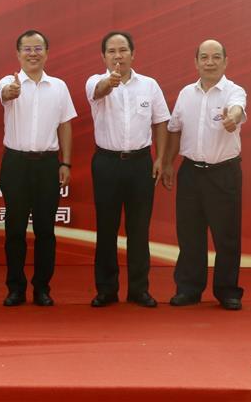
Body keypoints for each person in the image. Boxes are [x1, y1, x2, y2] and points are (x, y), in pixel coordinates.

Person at [86, 32, 169, 308]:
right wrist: (109, 83)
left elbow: (161, 121)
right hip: (106, 163)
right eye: (111, 51)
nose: (118, 56)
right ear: (103, 56)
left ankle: (139, 289)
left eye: (123, 50)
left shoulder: (149, 85)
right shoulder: (95, 82)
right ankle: (106, 290)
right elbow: (99, 91)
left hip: (140, 164)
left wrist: (160, 158)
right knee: (106, 229)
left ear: (133, 54)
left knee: (139, 229)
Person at [162, 39, 246, 311]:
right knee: (190, 234)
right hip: (191, 173)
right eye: (204, 57)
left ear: (226, 61)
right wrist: (167, 163)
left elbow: (237, 109)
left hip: (224, 173)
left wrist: (232, 118)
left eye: (216, 57)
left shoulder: (234, 91)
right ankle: (188, 289)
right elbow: (174, 130)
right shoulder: (186, 94)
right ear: (196, 62)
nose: (210, 62)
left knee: (227, 236)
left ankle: (228, 291)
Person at [0, 29, 76, 307]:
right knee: (15, 229)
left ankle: (42, 287)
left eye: (38, 48)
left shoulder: (59, 87)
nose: (33, 54)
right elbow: (5, 94)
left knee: (45, 230)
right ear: (18, 54)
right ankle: (15, 288)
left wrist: (65, 162)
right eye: (27, 49)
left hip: (47, 165)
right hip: (15, 164)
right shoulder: (9, 82)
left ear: (47, 53)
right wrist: (11, 92)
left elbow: (65, 125)